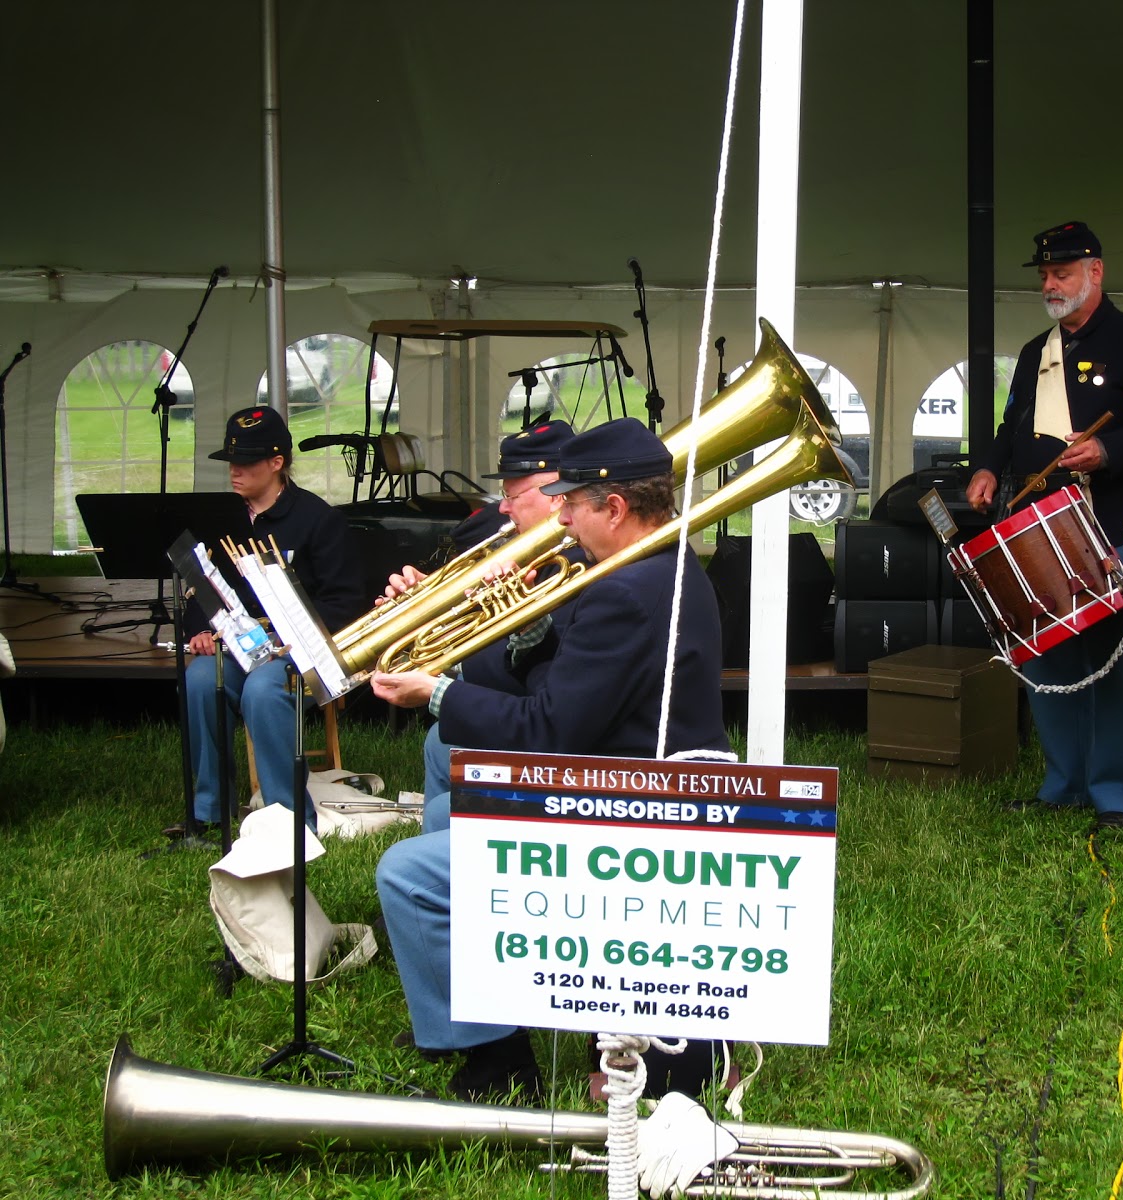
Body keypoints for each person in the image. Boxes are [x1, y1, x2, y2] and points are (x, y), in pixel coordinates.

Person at [371, 417, 729, 1102]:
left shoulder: (627, 589)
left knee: (405, 872)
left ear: (615, 508)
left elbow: (547, 729)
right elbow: (560, 692)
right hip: (624, 780)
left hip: (631, 808)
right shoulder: (645, 567)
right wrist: (522, 629)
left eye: (570, 501)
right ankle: (479, 998)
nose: (557, 513)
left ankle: (498, 1061)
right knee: (447, 807)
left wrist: (438, 691)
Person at [965, 221, 1123, 828]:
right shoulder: (1039, 352)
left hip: (1113, 524)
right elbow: (1012, 425)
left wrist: (1107, 452)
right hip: (1041, 530)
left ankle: (1116, 795)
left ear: (1096, 272)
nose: (1050, 284)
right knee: (1048, 660)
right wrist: (988, 467)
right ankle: (1062, 784)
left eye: (1062, 272)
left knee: (1115, 662)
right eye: (1044, 274)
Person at [376, 419, 580, 805]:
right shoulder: (527, 552)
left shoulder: (575, 564)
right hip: (525, 718)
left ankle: (448, 841)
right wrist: (428, 607)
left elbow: (530, 680)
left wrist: (439, 672)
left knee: (443, 744)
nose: (502, 507)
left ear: (555, 495)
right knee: (440, 741)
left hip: (551, 740)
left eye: (512, 495)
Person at [182, 406, 365, 832]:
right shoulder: (223, 520)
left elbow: (344, 603)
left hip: (300, 652)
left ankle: (289, 822)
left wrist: (285, 636)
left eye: (245, 462)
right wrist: (202, 630)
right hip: (238, 646)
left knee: (264, 692)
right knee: (200, 680)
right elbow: (203, 588)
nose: (234, 472)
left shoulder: (320, 521)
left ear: (277, 463)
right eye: (231, 462)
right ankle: (210, 813)